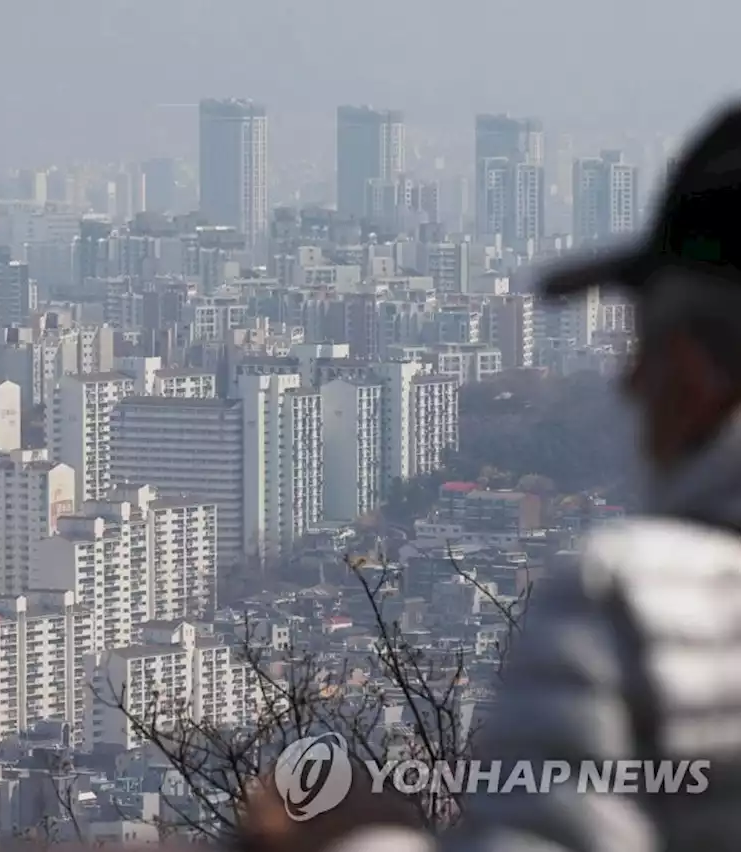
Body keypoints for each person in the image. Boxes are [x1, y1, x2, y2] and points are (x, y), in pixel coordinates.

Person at [243, 102, 742, 852]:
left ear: (694, 373)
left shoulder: (641, 610)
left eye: (644, 348)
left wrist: (349, 841)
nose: (631, 384)